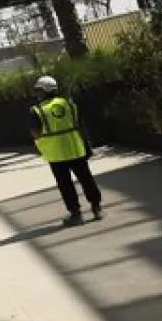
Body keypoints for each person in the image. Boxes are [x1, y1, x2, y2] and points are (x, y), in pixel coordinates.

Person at [30, 75, 103, 227]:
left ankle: (76, 214)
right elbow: (80, 124)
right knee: (86, 179)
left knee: (65, 184)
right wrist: (87, 144)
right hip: (75, 148)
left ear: (44, 91)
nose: (36, 94)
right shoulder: (69, 104)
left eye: (38, 91)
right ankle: (96, 208)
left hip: (55, 154)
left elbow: (35, 132)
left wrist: (40, 145)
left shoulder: (38, 110)